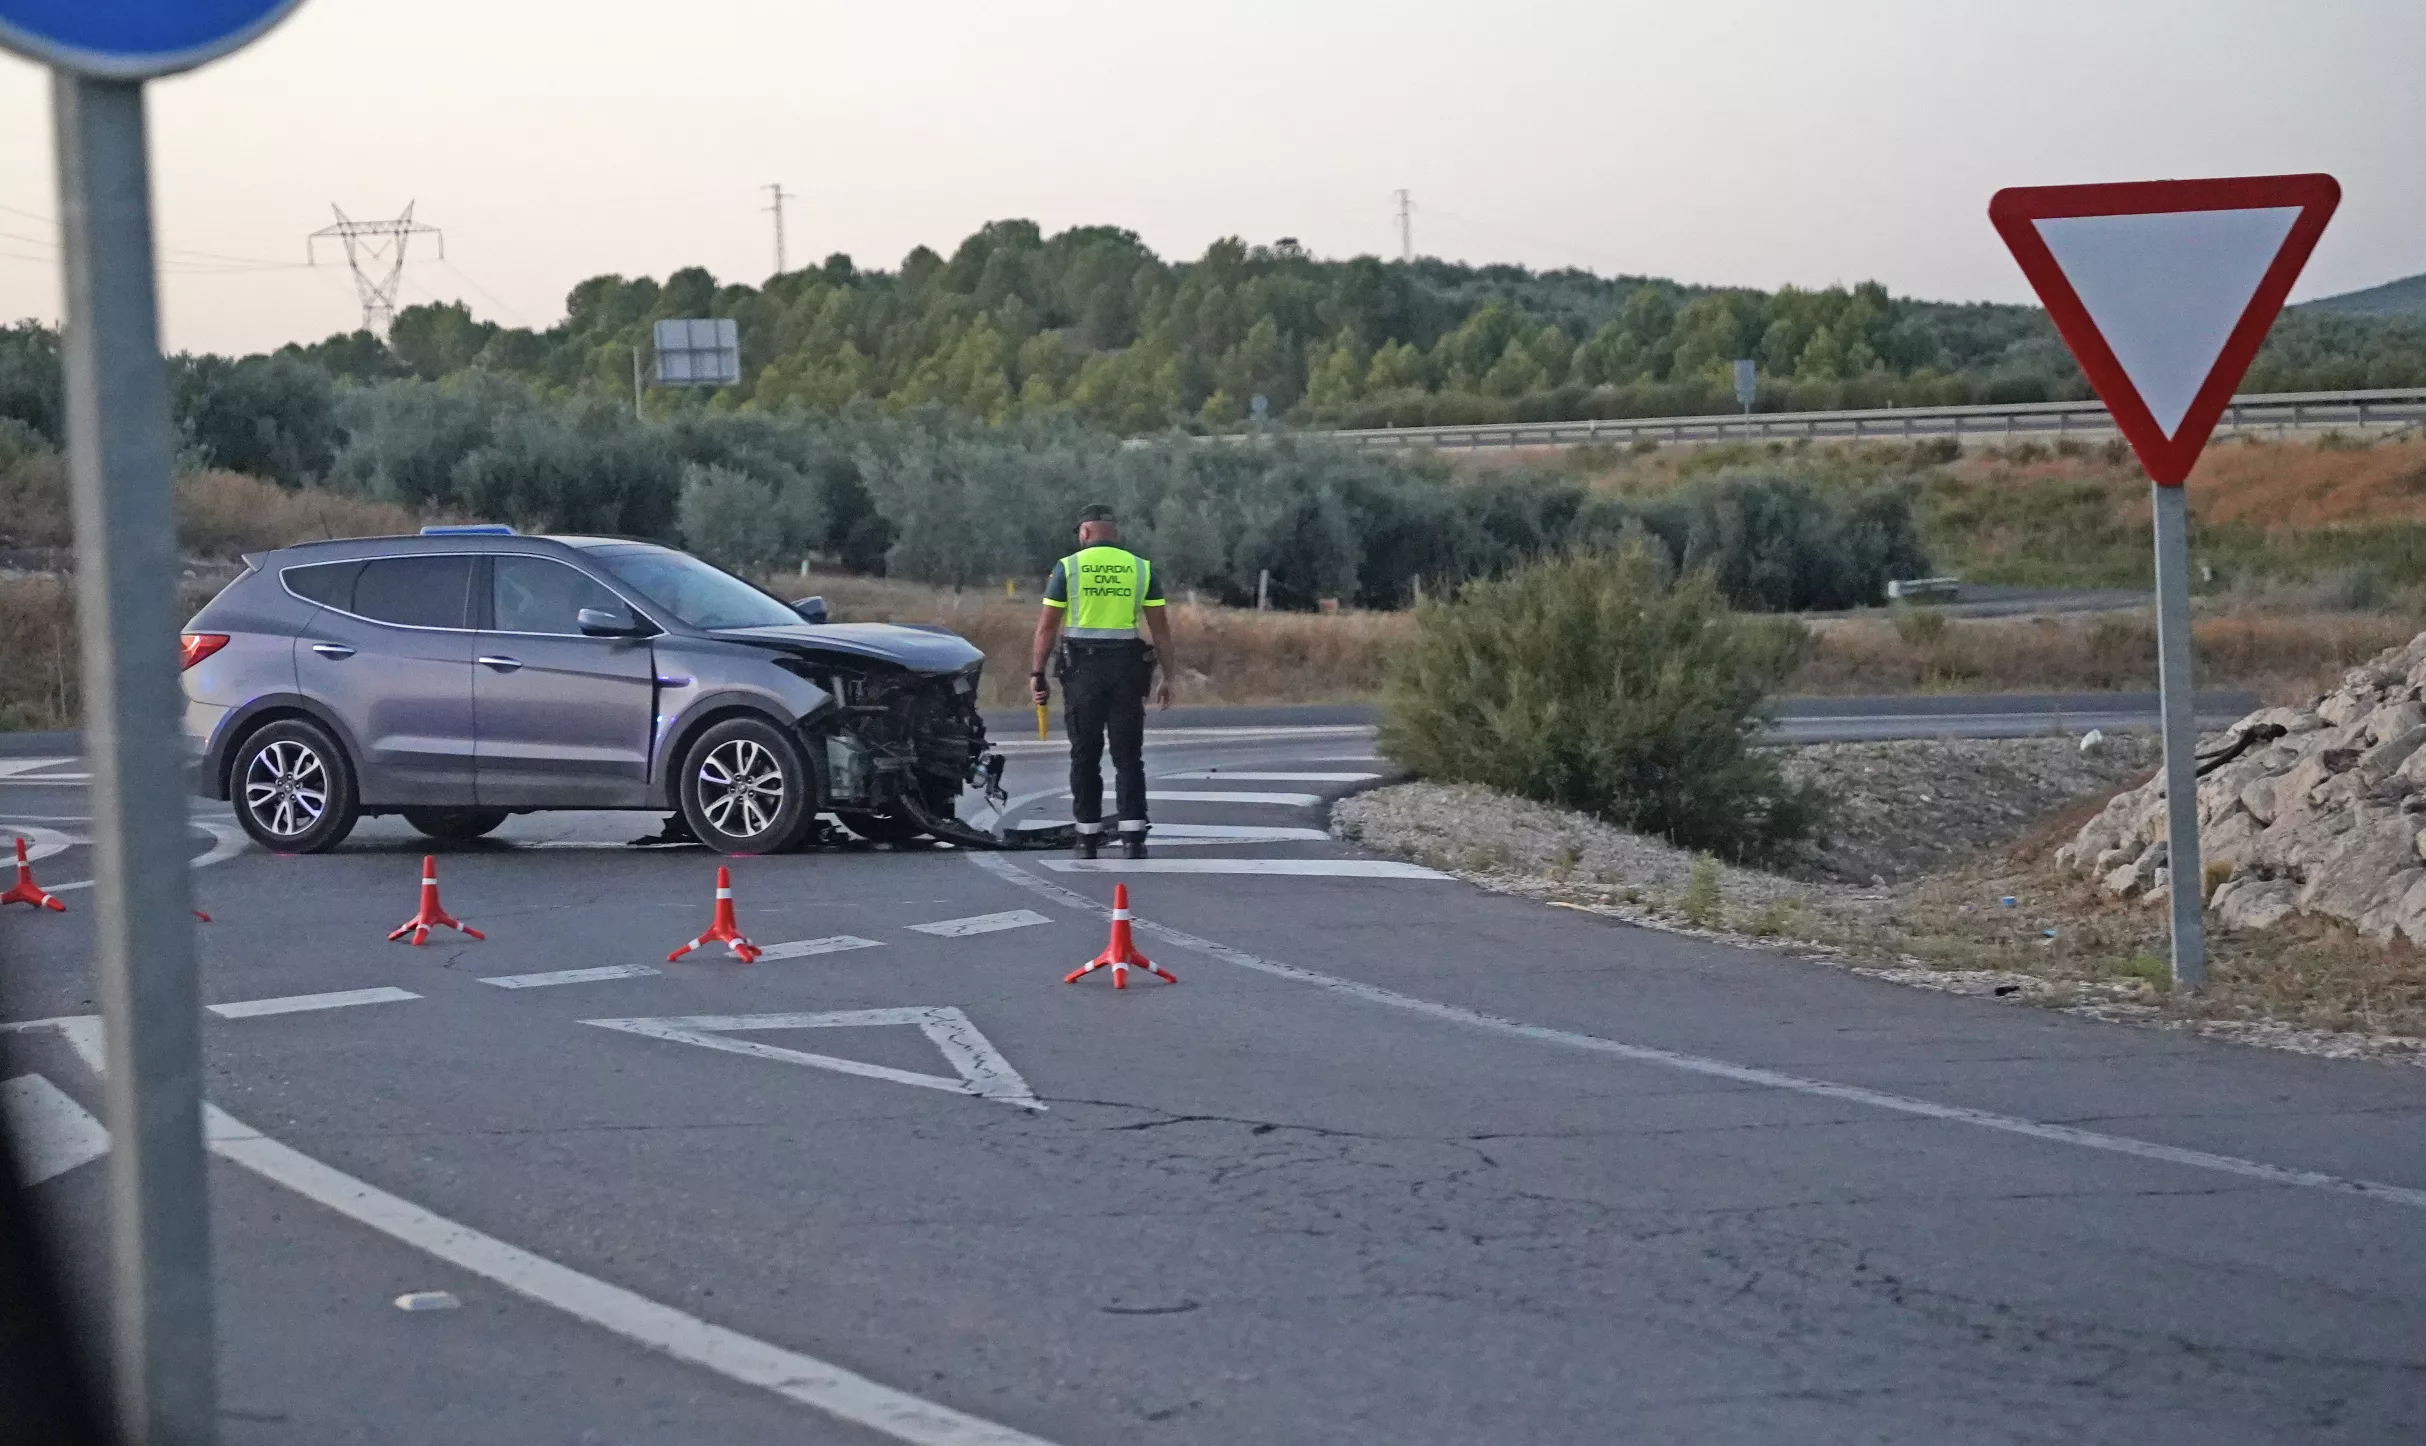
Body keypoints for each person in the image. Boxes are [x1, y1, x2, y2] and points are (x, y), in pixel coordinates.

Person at [1030, 504, 1174, 859]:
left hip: (1083, 672)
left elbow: (1048, 626)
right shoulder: (1141, 569)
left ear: (1084, 533)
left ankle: (1087, 839)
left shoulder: (1069, 567)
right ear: (1115, 533)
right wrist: (1168, 677)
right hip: (1127, 670)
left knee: (1085, 755)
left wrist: (1037, 674)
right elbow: (1161, 630)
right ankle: (1133, 839)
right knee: (1128, 757)